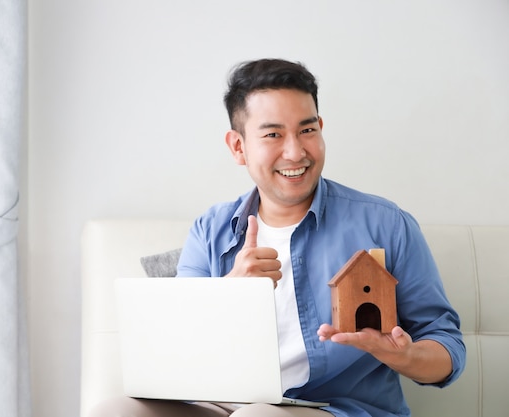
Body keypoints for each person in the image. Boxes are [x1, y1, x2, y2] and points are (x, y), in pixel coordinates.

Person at [89, 58, 465, 417]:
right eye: (273, 134)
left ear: (320, 127)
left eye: (307, 130)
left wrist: (405, 357)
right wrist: (230, 293)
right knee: (113, 411)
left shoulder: (386, 224)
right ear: (238, 146)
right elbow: (182, 355)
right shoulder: (210, 229)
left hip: (337, 408)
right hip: (221, 406)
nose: (295, 151)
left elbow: (447, 346)